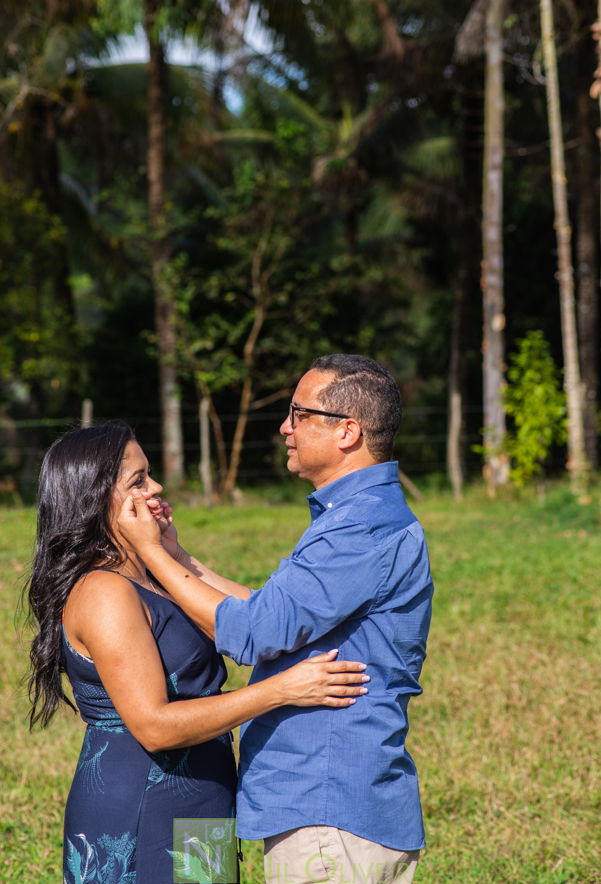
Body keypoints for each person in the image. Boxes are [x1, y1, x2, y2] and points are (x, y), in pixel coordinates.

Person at [119, 354, 434, 884]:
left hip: (328, 810)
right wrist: (178, 556)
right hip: (327, 809)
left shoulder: (360, 529)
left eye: (299, 413)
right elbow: (271, 610)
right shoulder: (360, 518)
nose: (285, 426)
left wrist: (150, 554)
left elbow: (254, 632)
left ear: (347, 431)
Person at [24, 423, 369, 884]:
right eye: (139, 480)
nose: (157, 488)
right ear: (95, 497)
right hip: (143, 805)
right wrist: (280, 690)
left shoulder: (149, 573)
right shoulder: (104, 591)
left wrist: (172, 553)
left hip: (199, 797)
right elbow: (154, 727)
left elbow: (259, 618)